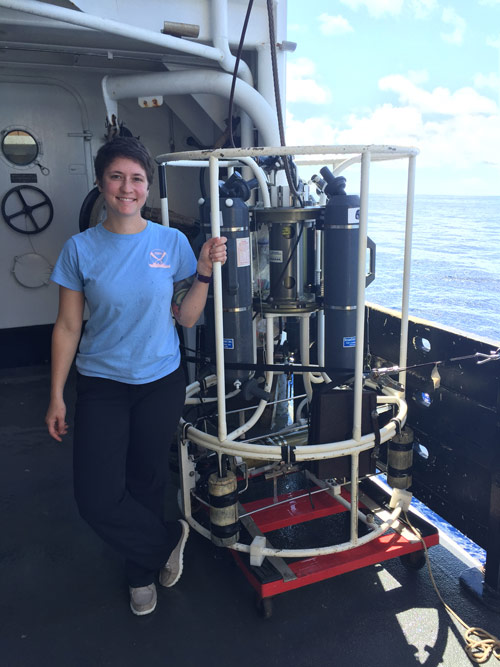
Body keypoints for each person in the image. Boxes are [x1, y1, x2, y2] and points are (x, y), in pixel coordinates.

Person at [45, 136, 227, 616]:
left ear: (147, 187)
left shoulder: (170, 243)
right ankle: (165, 541)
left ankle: (139, 575)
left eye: (137, 179)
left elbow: (186, 318)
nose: (128, 188)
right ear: (102, 184)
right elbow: (67, 326)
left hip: (160, 380)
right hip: (102, 384)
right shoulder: (80, 250)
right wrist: (56, 395)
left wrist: (205, 270)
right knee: (96, 497)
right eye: (117, 177)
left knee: (146, 480)